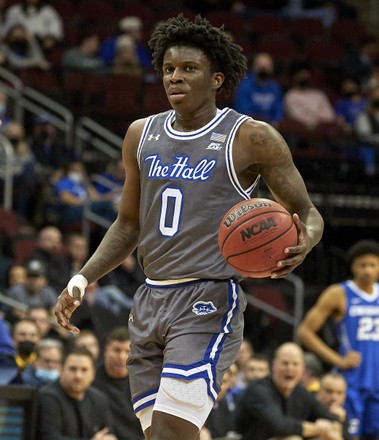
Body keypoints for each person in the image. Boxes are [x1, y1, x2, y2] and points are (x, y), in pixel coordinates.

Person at [54, 14, 324, 440]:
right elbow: (128, 224)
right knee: (161, 435)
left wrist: (304, 241)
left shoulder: (250, 137)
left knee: (169, 433)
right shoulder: (140, 134)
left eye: (188, 69)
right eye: (167, 69)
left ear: (217, 79)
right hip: (149, 299)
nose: (174, 77)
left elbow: (307, 212)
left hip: (208, 297)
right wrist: (83, 276)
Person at [297, 239, 379, 439]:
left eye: (372, 265)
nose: (367, 270)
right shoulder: (339, 293)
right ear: (353, 266)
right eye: (362, 265)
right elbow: (304, 332)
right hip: (351, 381)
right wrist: (337, 360)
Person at [235, 342, 348, 440]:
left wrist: (335, 424)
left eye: (295, 364)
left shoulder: (301, 393)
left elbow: (329, 418)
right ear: (274, 365)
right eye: (285, 363)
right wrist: (318, 429)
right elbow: (280, 426)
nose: (290, 368)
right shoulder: (258, 390)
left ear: (302, 369)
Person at [36, 346, 117, 440]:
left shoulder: (99, 399)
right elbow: (49, 437)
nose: (78, 376)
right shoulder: (47, 397)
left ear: (93, 374)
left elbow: (108, 435)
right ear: (61, 370)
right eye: (72, 369)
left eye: (84, 370)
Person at [93, 326, 144, 440]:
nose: (121, 357)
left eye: (127, 351)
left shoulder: (143, 382)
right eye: (116, 350)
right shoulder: (91, 378)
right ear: (106, 350)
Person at [233, 52, 283, 126]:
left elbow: (278, 111)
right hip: (250, 126)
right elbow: (243, 112)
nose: (263, 69)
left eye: (266, 66)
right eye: (260, 66)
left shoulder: (275, 87)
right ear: (253, 67)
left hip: (271, 127)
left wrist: (275, 123)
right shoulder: (244, 86)